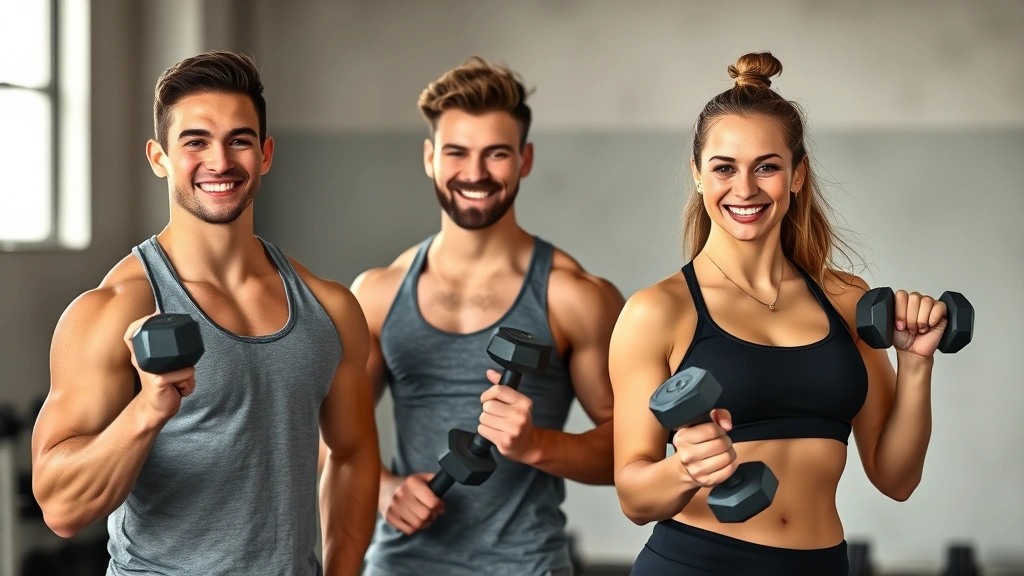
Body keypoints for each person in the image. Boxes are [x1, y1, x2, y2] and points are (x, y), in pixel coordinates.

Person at [30, 51, 380, 576]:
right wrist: (147, 410)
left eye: (239, 140)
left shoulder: (329, 307)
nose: (219, 162)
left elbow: (352, 453)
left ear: (265, 154)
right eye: (195, 141)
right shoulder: (115, 308)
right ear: (159, 157)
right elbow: (61, 508)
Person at [610, 52, 950, 576]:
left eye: (766, 166)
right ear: (698, 175)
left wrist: (917, 363)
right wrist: (684, 468)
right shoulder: (657, 311)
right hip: (696, 564)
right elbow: (634, 498)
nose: (744, 188)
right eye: (724, 168)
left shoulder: (846, 300)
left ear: (797, 175)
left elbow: (896, 479)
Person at [349, 57, 624, 576]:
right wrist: (383, 489)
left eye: (496, 153)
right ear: (430, 158)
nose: (475, 173)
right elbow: (330, 430)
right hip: (401, 564)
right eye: (456, 152)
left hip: (526, 565)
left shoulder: (573, 297)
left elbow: (631, 448)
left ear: (525, 160)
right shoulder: (378, 293)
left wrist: (536, 445)